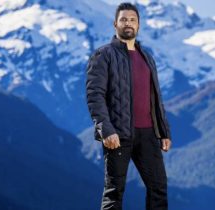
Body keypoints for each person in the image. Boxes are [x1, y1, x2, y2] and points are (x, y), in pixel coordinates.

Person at [86, 2, 172, 210]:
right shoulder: (104, 55)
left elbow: (154, 98)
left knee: (158, 188)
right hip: (118, 135)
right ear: (115, 24)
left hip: (149, 135)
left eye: (132, 20)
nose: (128, 23)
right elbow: (95, 95)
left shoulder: (147, 57)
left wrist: (164, 131)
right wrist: (106, 130)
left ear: (139, 25)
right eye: (124, 19)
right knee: (114, 192)